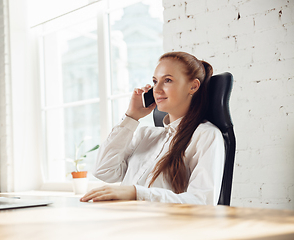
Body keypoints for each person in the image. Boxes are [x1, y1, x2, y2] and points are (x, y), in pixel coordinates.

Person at [80, 51, 225, 205]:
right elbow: (103, 171)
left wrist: (135, 192)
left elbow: (202, 202)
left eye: (167, 80)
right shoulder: (146, 134)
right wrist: (131, 117)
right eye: (155, 81)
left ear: (193, 86)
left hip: (162, 226)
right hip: (126, 220)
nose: (156, 89)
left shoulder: (206, 135)